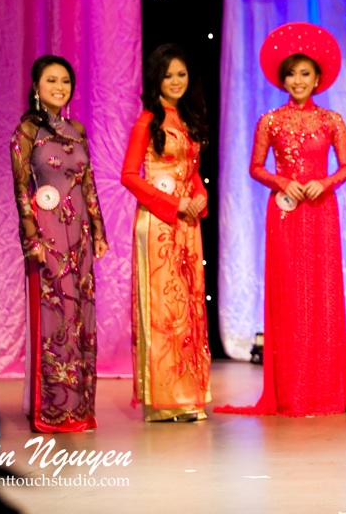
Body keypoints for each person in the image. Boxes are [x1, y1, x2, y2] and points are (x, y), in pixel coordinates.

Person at [215, 22, 346, 417]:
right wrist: (283, 181)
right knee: (289, 295)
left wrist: (324, 183)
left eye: (305, 74)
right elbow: (255, 167)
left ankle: (325, 389)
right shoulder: (270, 121)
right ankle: (291, 391)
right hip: (285, 214)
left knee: (323, 295)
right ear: (283, 78)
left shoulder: (332, 121)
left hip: (322, 212)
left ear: (317, 79)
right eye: (291, 74)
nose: (298, 80)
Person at [10, 55, 108, 432]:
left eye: (65, 81)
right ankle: (52, 407)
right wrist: (30, 237)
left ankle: (80, 407)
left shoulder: (77, 130)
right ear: (36, 87)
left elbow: (88, 182)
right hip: (48, 233)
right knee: (54, 315)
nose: (59, 87)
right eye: (51, 80)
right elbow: (20, 189)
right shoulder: (26, 132)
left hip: (79, 234)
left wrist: (99, 230)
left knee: (81, 315)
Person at [121, 43, 211, 422]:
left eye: (182, 74)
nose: (176, 81)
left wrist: (199, 199)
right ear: (156, 78)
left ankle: (187, 394)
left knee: (187, 307)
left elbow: (193, 175)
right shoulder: (148, 121)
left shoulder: (188, 120)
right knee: (163, 308)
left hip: (188, 225)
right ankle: (162, 401)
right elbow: (127, 176)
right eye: (169, 74)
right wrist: (173, 205)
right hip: (158, 224)